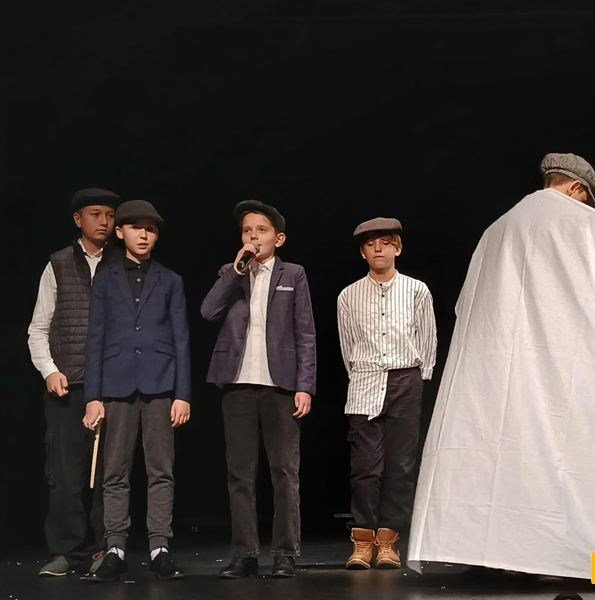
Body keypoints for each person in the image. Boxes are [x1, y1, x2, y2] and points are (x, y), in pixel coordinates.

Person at [407, 153, 595, 580]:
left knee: (503, 453)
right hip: (566, 357)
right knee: (571, 450)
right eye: (586, 197)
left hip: (498, 364)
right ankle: (566, 553)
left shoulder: (496, 229)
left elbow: (466, 302)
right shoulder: (587, 224)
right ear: (577, 188)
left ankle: (499, 552)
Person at [201, 200, 316, 580]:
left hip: (280, 385)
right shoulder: (230, 272)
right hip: (237, 384)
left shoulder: (293, 274)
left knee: (284, 471)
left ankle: (285, 553)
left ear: (278, 238)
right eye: (247, 230)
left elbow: (305, 333)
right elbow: (208, 311)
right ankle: (245, 554)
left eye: (261, 230)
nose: (253, 236)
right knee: (240, 474)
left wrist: (305, 386)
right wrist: (237, 271)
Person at [82, 200, 191, 583]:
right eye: (135, 227)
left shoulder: (171, 280)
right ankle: (115, 547)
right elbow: (95, 338)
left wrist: (183, 394)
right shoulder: (105, 278)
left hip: (160, 383)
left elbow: (181, 339)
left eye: (151, 229)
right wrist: (92, 396)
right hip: (116, 383)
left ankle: (160, 547)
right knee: (115, 471)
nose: (143, 235)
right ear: (120, 231)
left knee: (161, 470)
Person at [28, 188, 121, 577]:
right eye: (95, 214)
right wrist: (49, 369)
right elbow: (39, 327)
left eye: (110, 215)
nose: (104, 221)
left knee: (109, 472)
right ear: (78, 219)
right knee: (66, 472)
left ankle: (105, 548)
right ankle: (67, 551)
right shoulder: (59, 264)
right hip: (70, 384)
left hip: (114, 387)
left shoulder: (124, 263)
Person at [337, 218, 437, 570]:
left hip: (405, 379)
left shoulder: (416, 290)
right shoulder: (348, 295)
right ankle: (363, 541)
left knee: (401, 467)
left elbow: (427, 338)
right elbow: (347, 344)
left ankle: (389, 541)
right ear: (362, 252)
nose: (378, 248)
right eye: (370, 244)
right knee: (365, 468)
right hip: (365, 381)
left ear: (398, 247)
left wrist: (420, 377)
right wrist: (361, 376)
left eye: (385, 242)